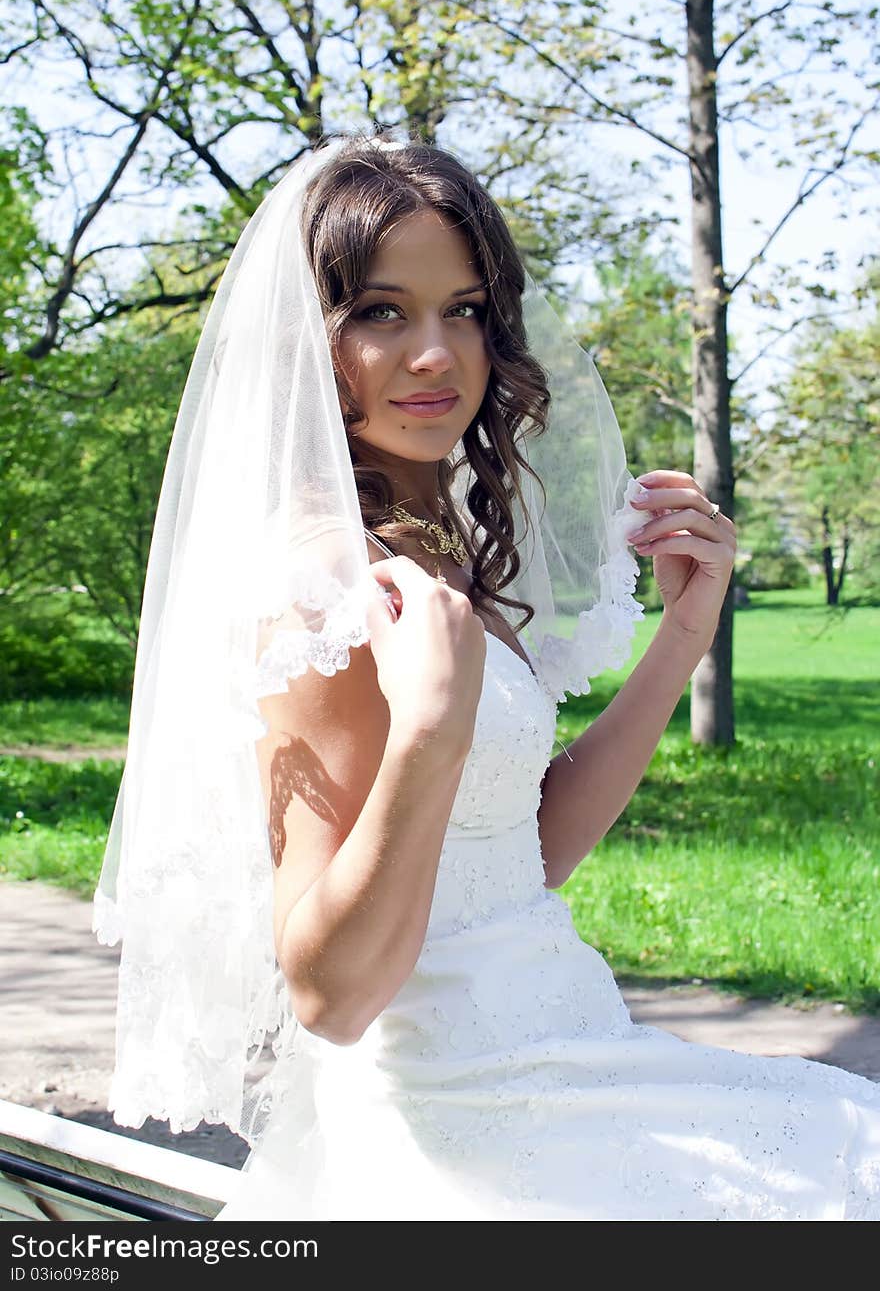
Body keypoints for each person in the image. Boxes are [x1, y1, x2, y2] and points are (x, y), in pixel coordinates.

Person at [96, 133, 880, 1221]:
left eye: (463, 309)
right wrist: (426, 735)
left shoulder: (431, 534)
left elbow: (520, 853)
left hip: (568, 1049)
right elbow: (329, 992)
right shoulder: (320, 582)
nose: (435, 354)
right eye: (381, 311)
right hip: (455, 1116)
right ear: (306, 339)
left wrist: (680, 636)